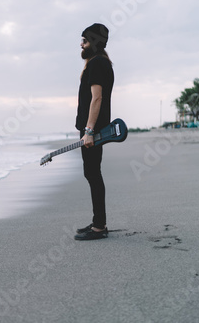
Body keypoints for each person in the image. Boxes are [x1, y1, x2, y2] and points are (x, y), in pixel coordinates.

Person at [74, 23, 114, 241]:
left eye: (85, 41)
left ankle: (99, 226)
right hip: (91, 128)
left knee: (93, 173)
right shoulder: (97, 62)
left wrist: (89, 130)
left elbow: (96, 98)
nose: (81, 44)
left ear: (94, 43)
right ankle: (98, 221)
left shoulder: (98, 63)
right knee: (92, 172)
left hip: (93, 130)